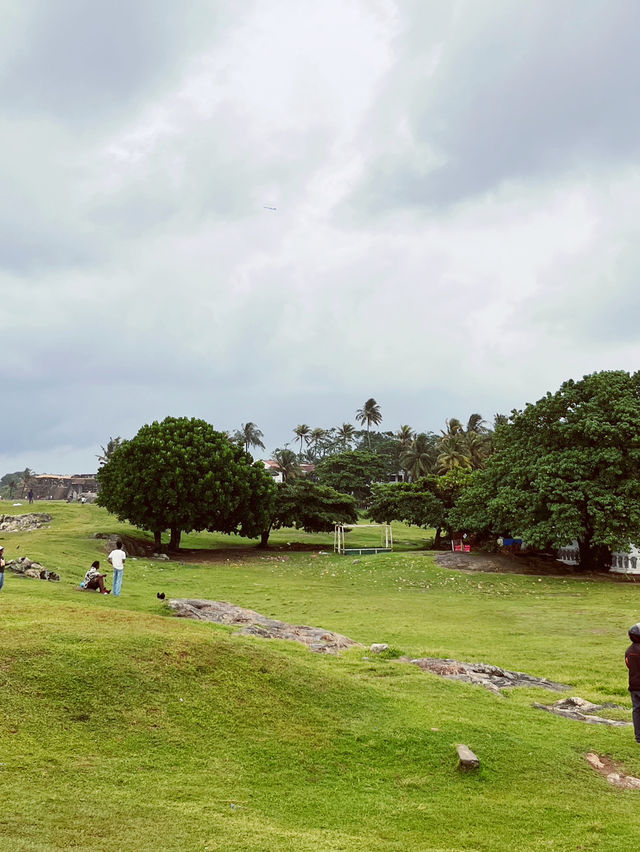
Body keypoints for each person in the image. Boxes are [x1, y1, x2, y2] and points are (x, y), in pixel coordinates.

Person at [625, 623, 640, 743]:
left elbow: (628, 665)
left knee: (637, 711)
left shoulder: (629, 651)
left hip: (634, 686)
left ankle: (638, 737)